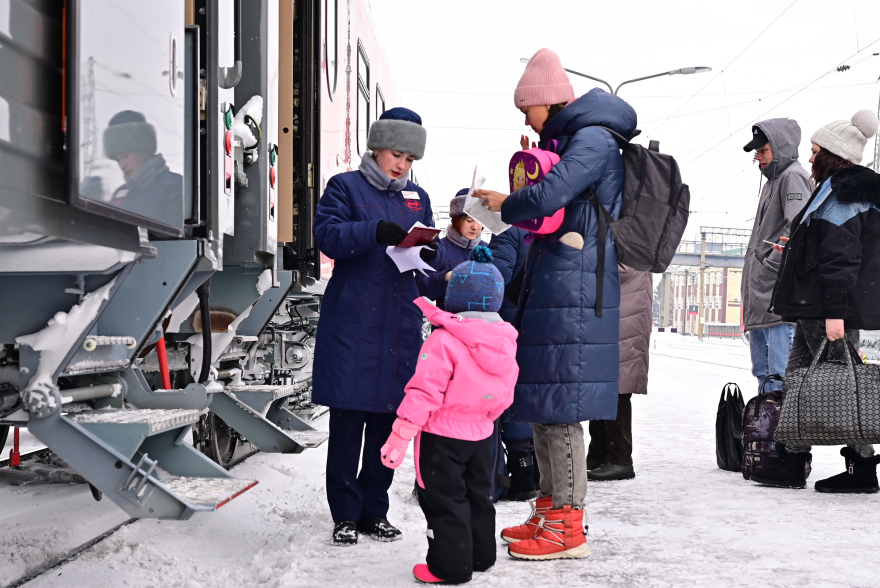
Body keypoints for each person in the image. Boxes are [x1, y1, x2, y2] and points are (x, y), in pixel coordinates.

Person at [475, 48, 637, 560]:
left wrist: (509, 202)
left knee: (562, 407)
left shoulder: (594, 139)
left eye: (528, 110)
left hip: (577, 287)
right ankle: (548, 509)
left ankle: (568, 525)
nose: (526, 119)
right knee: (543, 401)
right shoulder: (575, 139)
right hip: (558, 281)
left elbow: (549, 197)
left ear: (548, 102)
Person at [312, 107, 443, 546]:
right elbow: (328, 236)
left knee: (388, 429)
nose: (402, 165)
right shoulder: (344, 186)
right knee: (348, 428)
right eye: (395, 154)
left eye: (409, 159)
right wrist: (374, 231)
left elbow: (423, 259)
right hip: (354, 326)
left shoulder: (418, 198)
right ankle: (345, 514)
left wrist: (430, 253)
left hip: (398, 326)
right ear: (376, 146)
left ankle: (375, 511)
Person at [380, 246, 519, 584]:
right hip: (482, 434)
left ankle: (449, 567)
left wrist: (401, 434)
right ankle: (480, 556)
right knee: (479, 497)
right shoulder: (504, 340)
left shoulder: (443, 340)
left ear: (454, 298)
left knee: (445, 501)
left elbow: (424, 391)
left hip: (442, 436)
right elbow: (506, 389)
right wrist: (488, 417)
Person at [766, 109, 880, 493]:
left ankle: (862, 469)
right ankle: (791, 459)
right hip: (813, 306)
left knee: (847, 385)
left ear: (833, 154)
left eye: (815, 151)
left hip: (829, 308)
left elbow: (842, 258)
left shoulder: (845, 195)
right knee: (799, 376)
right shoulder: (833, 190)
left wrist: (835, 314)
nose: (809, 157)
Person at [741, 119, 812, 394]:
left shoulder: (792, 176)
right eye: (757, 153)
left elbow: (797, 230)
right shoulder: (773, 180)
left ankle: (778, 437)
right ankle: (766, 435)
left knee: (778, 380)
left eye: (763, 151)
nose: (758, 158)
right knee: (764, 376)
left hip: (777, 302)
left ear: (780, 149)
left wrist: (769, 265)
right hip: (762, 300)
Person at [587, 264, 652, 481]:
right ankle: (599, 454)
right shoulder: (626, 236)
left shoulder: (634, 240)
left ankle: (620, 459)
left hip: (626, 320)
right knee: (603, 387)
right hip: (618, 317)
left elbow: (615, 269)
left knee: (617, 389)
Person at [489, 226, 540, 501]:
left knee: (509, 396)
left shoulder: (509, 232)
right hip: (537, 325)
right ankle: (529, 473)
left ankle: (517, 477)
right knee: (526, 395)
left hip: (509, 327)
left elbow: (497, 279)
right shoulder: (548, 229)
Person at [104, 110, 183, 227]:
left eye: (125, 156)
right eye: (117, 160)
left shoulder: (174, 185)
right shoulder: (120, 193)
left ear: (145, 149)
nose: (122, 165)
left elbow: (174, 237)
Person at [416, 190, 487, 311]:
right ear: (456, 220)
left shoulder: (489, 250)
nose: (475, 227)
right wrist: (445, 277)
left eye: (480, 221)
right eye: (469, 221)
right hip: (448, 325)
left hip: (481, 326)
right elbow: (420, 288)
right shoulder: (439, 248)